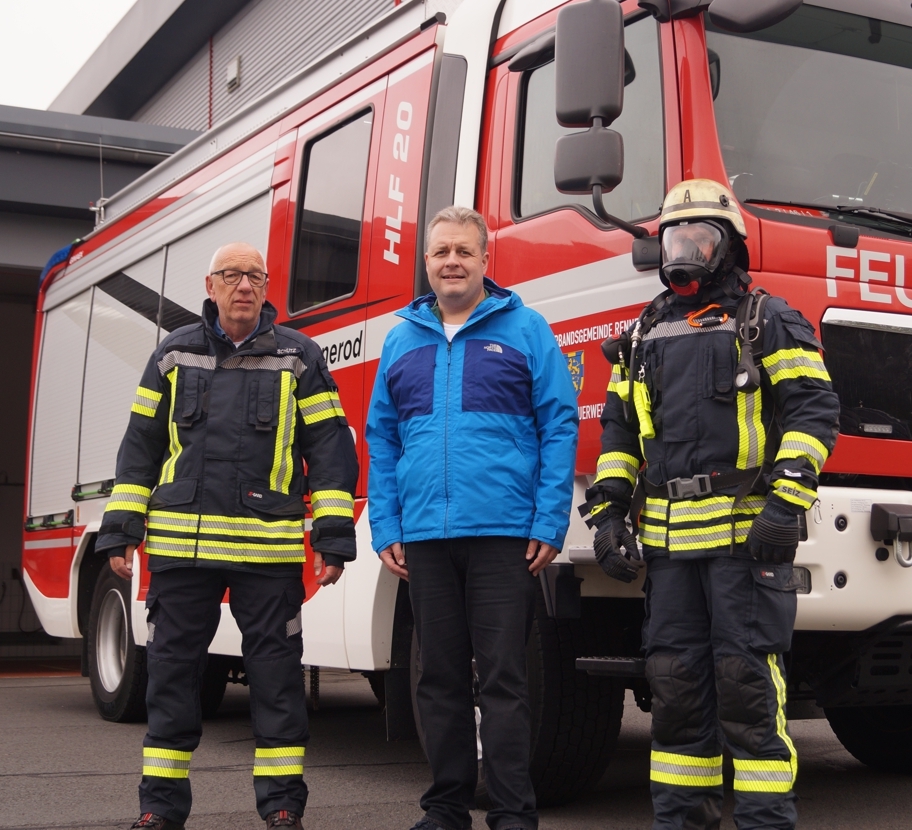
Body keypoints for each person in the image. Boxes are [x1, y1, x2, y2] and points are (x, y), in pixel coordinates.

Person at [581, 180, 840, 830]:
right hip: (670, 558)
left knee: (747, 690)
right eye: (675, 237)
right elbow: (620, 426)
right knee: (673, 693)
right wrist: (609, 512)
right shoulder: (646, 330)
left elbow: (815, 411)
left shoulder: (767, 318)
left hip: (746, 548)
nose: (686, 249)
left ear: (729, 249)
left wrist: (787, 504)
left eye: (702, 237)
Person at [94, 242, 359, 830]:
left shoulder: (300, 358)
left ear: (267, 289)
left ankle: (283, 807)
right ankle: (159, 811)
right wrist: (121, 530)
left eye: (255, 276)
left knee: (278, 684)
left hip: (267, 557)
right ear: (210, 286)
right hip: (181, 554)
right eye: (232, 275)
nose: (244, 285)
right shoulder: (172, 353)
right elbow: (140, 448)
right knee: (172, 682)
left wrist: (334, 536)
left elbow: (332, 452)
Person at [366, 206, 579, 830]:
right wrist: (387, 526)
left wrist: (547, 521)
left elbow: (559, 425)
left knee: (505, 678)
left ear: (487, 261)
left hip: (502, 535)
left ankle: (513, 812)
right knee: (438, 678)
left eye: (464, 250)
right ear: (427, 263)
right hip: (426, 537)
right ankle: (446, 807)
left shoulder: (526, 329)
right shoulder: (402, 338)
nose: (452, 261)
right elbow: (382, 438)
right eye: (440, 252)